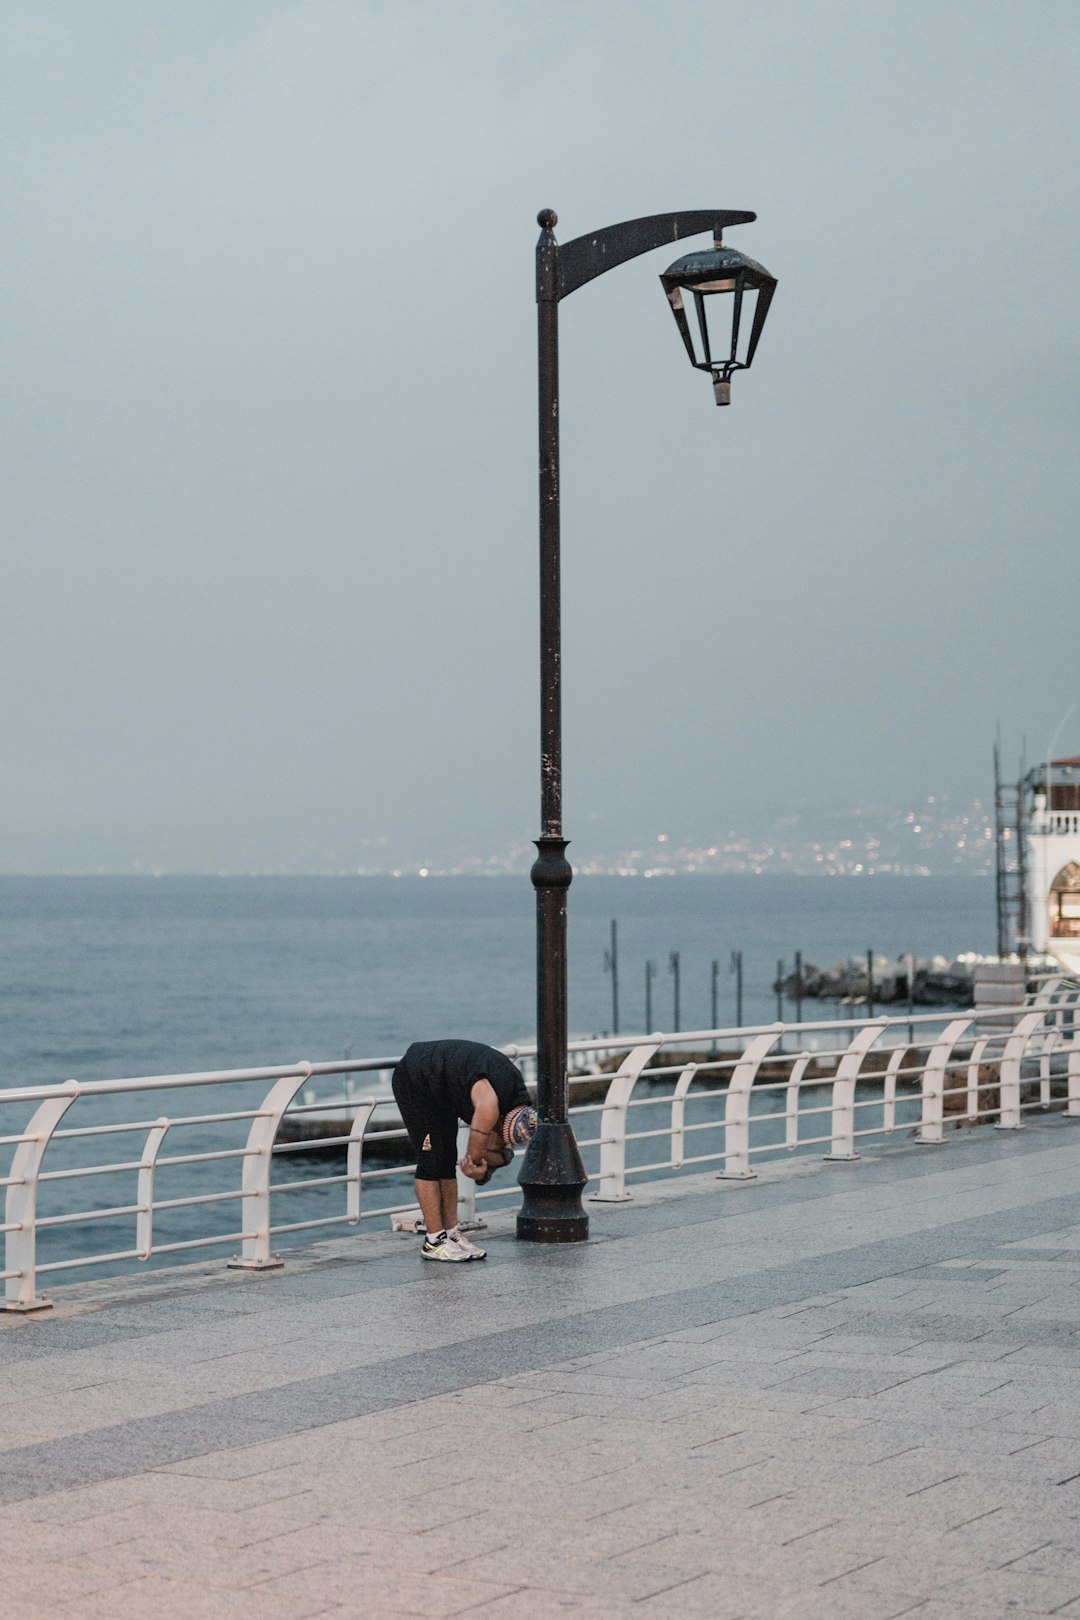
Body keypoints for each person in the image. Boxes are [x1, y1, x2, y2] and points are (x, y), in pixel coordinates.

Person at [391, 1039, 538, 1261]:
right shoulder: (489, 1107)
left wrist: (485, 1170)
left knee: (447, 1158)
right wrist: (479, 1170)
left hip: (442, 1088)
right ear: (501, 1123)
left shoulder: (519, 1106)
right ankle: (434, 1241)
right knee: (431, 1159)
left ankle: (451, 1233)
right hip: (416, 1078)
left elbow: (500, 1153)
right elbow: (473, 1161)